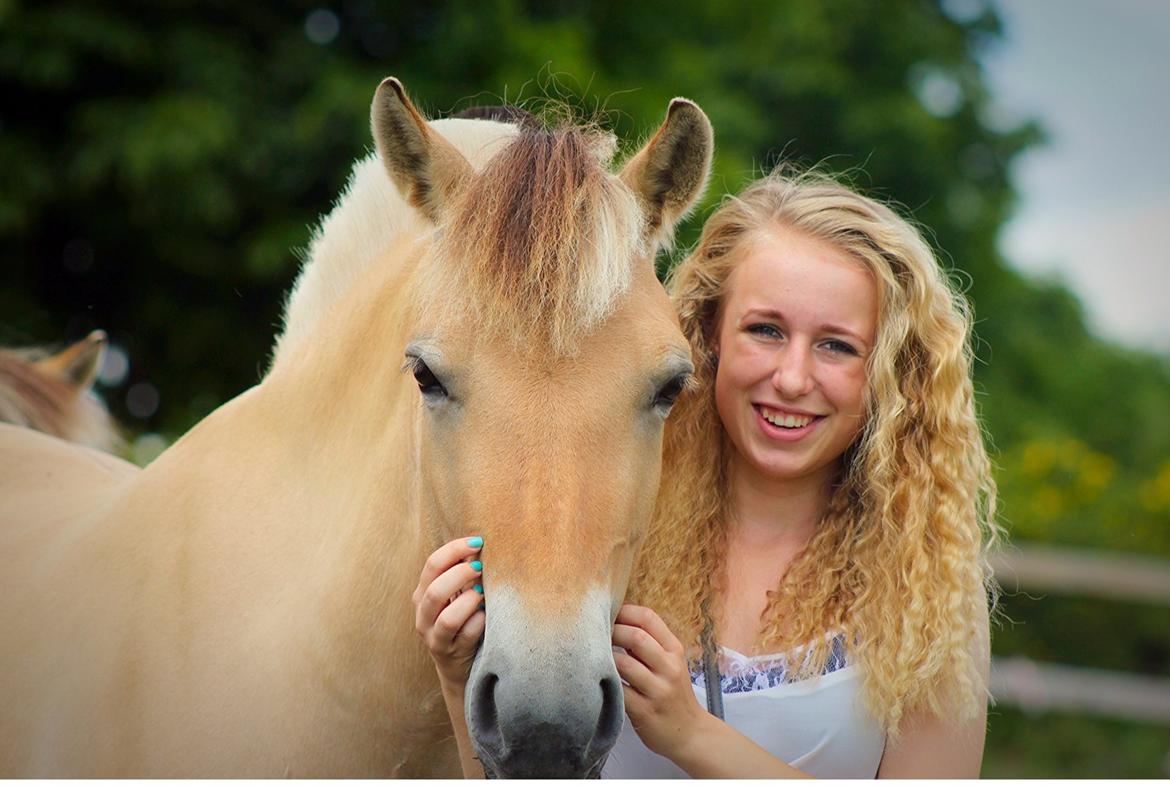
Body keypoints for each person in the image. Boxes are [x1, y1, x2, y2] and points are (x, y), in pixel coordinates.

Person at [412, 169, 1000, 778]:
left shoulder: (926, 581)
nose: (793, 378)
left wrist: (692, 735)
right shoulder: (610, 530)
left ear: (889, 373)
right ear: (710, 334)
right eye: (765, 331)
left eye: (837, 346)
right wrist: (462, 686)